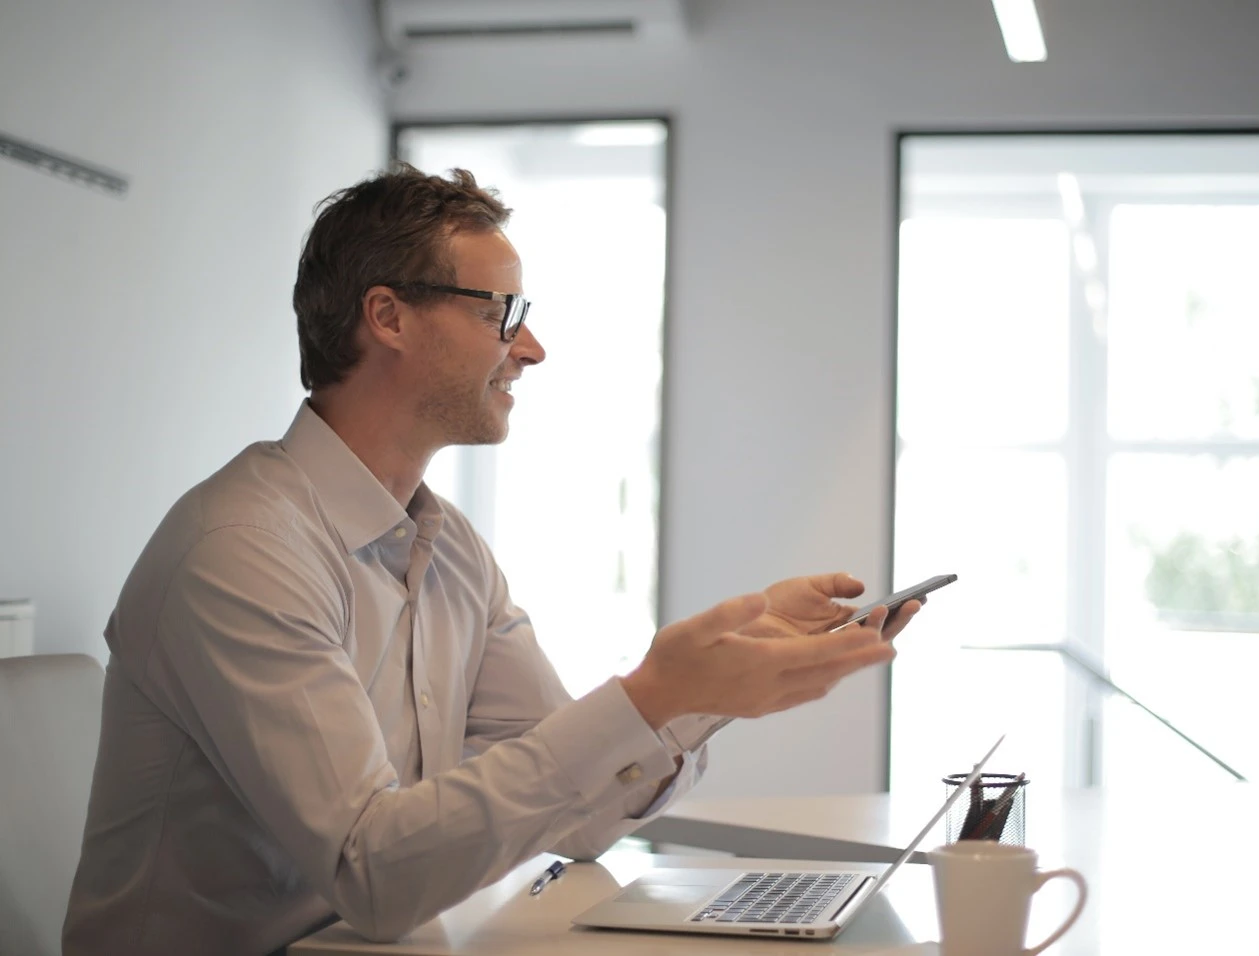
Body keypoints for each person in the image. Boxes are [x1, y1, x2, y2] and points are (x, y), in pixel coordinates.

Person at [62, 164, 920, 955]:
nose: (531, 347)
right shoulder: (242, 553)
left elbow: (576, 820)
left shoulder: (449, 550)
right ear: (388, 316)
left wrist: (702, 692)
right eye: (499, 313)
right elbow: (374, 874)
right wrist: (656, 694)